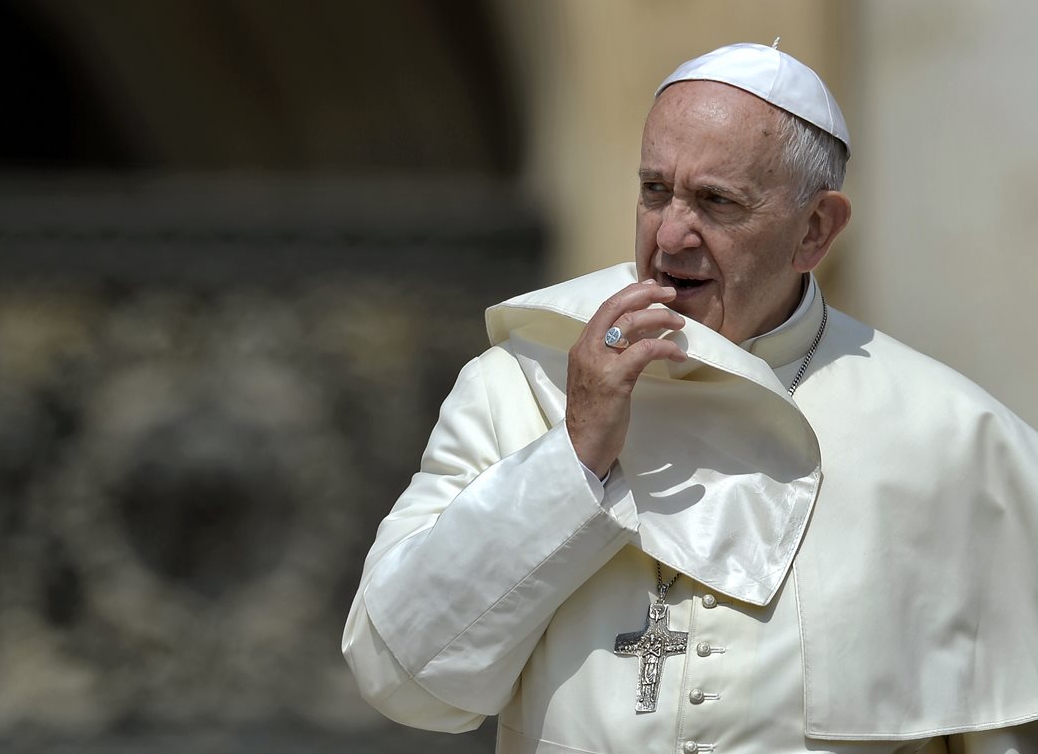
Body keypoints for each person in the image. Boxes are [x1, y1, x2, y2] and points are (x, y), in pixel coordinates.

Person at [341, 43, 1038, 753]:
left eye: (715, 201)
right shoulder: (524, 382)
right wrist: (571, 455)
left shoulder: (958, 442)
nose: (671, 235)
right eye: (654, 191)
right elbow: (398, 676)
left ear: (814, 230)